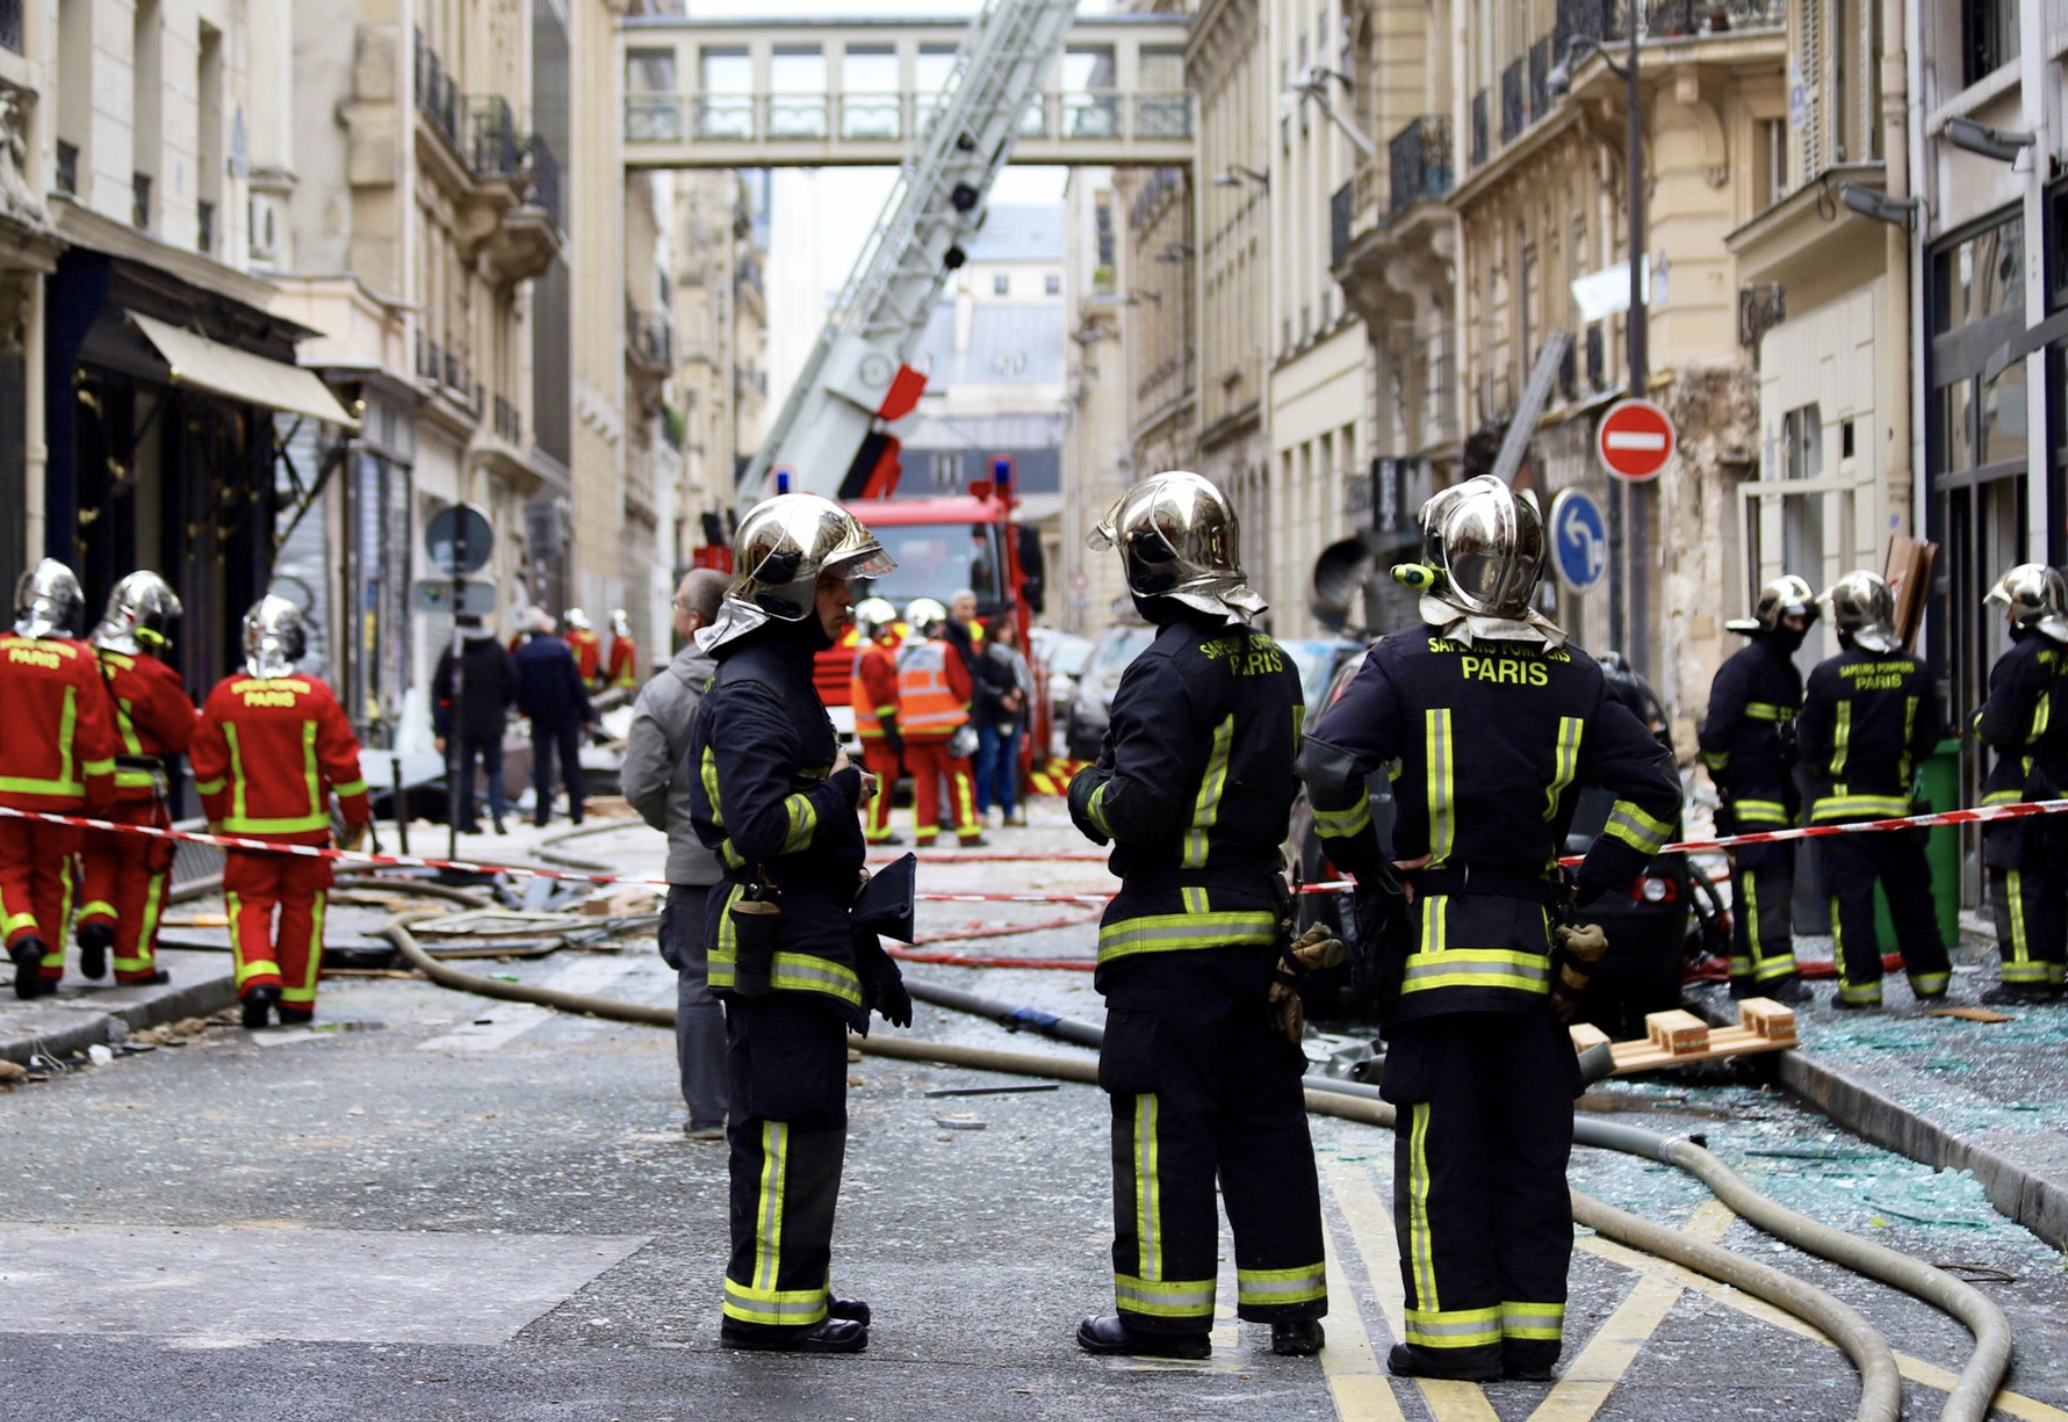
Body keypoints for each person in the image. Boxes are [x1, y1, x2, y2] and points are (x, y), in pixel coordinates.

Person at [1297, 476, 1680, 1383]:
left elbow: (1330, 766)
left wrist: (1370, 870)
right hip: (1537, 956)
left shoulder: (1405, 661)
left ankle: (1452, 1341)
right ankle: (1534, 1338)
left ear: (1440, 562)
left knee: (1444, 1157)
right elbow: (1657, 791)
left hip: (1439, 955)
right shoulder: (1574, 671)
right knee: (1531, 1153)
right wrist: (1600, 884)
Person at [1065, 470, 1329, 1363]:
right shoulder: (1275, 661)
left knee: (1163, 1123)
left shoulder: (1164, 667)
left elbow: (1134, 807)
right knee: (1264, 1116)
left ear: (1148, 566)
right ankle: (1291, 1308)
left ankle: (1163, 1316)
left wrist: (1085, 791)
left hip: (1169, 938)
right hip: (1258, 926)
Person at [687, 493, 913, 1355]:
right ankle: (771, 1311)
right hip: (775, 943)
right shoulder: (750, 690)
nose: (847, 603)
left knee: (809, 1121)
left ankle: (795, 1288)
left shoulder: (777, 677)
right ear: (786, 588)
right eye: (833, 586)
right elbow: (758, 827)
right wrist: (840, 790)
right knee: (784, 1125)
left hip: (805, 937)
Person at [191, 597, 371, 1029]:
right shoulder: (315, 696)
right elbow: (345, 768)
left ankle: (256, 979)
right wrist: (355, 820)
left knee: (248, 907)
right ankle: (296, 1000)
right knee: (303, 914)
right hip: (306, 834)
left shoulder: (225, 697)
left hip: (246, 832)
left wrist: (215, 817)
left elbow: (208, 771)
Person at [1796, 571, 1951, 1010]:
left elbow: (1809, 747)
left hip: (1842, 812)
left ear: (1844, 622)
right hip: (1898, 809)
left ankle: (1860, 991)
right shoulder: (1916, 672)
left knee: (1853, 903)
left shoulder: (1828, 675)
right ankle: (1932, 981)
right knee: (1912, 898)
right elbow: (1927, 740)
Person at [625, 569, 734, 1139]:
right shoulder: (755, 681)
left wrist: (677, 826)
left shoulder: (663, 693)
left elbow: (640, 783)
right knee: (757, 981)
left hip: (694, 868)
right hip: (762, 860)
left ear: (693, 619)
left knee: (698, 983)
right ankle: (757, 1101)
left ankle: (708, 1114)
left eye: (675, 603)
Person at [0, 560, 119, 999]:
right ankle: (48, 968)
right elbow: (96, 739)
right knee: (55, 878)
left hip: (4, 794)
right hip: (62, 797)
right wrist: (101, 798)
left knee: (6, 873)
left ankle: (21, 938)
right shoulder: (79, 661)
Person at [1697, 576, 1818, 1004]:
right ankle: (1776, 979)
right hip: (1752, 801)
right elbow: (1714, 741)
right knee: (1766, 892)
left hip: (1780, 799)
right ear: (1771, 619)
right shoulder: (1744, 669)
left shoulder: (1787, 672)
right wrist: (1730, 785)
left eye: (1806, 620)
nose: (1800, 629)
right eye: (1792, 619)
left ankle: (1746, 977)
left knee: (1763, 891)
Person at [76, 572, 197, 985]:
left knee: (97, 861)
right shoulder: (151, 675)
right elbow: (184, 734)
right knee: (143, 874)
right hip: (140, 792)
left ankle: (94, 919)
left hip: (87, 789)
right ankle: (134, 962)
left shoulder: (81, 660)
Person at [1971, 564, 2068, 1004]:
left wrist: (1977, 719)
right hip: (2060, 788)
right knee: (2053, 886)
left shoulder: (2020, 659)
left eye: (2011, 610)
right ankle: (2052, 973)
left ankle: (2025, 981)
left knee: (2016, 883)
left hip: (2021, 787)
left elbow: (1997, 727)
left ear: (2029, 610)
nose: (2007, 619)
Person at [897, 598, 986, 848]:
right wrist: (967, 720)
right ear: (927, 625)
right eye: (936, 624)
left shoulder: (899, 654)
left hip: (913, 732)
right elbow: (964, 689)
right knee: (959, 780)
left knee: (924, 783)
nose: (940, 629)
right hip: (946, 730)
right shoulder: (944, 650)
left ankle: (925, 833)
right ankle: (968, 832)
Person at [432, 614, 519, 835]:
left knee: (464, 772)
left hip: (461, 723)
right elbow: (512, 681)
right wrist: (502, 705)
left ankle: (465, 821)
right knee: (495, 770)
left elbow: (439, 690)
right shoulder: (496, 650)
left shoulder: (455, 652)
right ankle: (498, 817)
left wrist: (441, 727)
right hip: (491, 720)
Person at [515, 606, 595, 827]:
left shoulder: (525, 653)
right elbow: (575, 683)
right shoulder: (561, 649)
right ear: (542, 625)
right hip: (565, 713)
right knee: (570, 762)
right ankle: (576, 813)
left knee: (542, 764)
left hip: (539, 715)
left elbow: (518, 686)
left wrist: (524, 709)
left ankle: (542, 815)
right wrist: (586, 713)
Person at [848, 597, 905, 847]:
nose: (890, 630)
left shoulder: (867, 653)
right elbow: (881, 697)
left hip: (873, 730)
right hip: (879, 731)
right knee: (881, 781)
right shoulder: (874, 657)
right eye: (886, 624)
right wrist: (892, 731)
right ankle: (876, 830)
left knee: (882, 778)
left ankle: (878, 827)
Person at [973, 614, 1031, 826]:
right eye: (1004, 629)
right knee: (987, 763)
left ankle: (1009, 810)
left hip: (1012, 717)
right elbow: (980, 686)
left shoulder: (1016, 658)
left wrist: (1018, 693)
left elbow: (1024, 683)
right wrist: (1001, 698)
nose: (1009, 633)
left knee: (1008, 765)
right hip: (990, 717)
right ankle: (983, 809)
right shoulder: (985, 657)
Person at [563, 607, 604, 688]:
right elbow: (598, 659)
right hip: (590, 677)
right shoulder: (593, 638)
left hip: (575, 675)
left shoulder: (571, 637)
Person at [608, 608, 640, 690]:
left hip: (620, 683)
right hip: (629, 683)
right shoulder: (629, 641)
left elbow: (615, 664)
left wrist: (609, 675)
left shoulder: (620, 643)